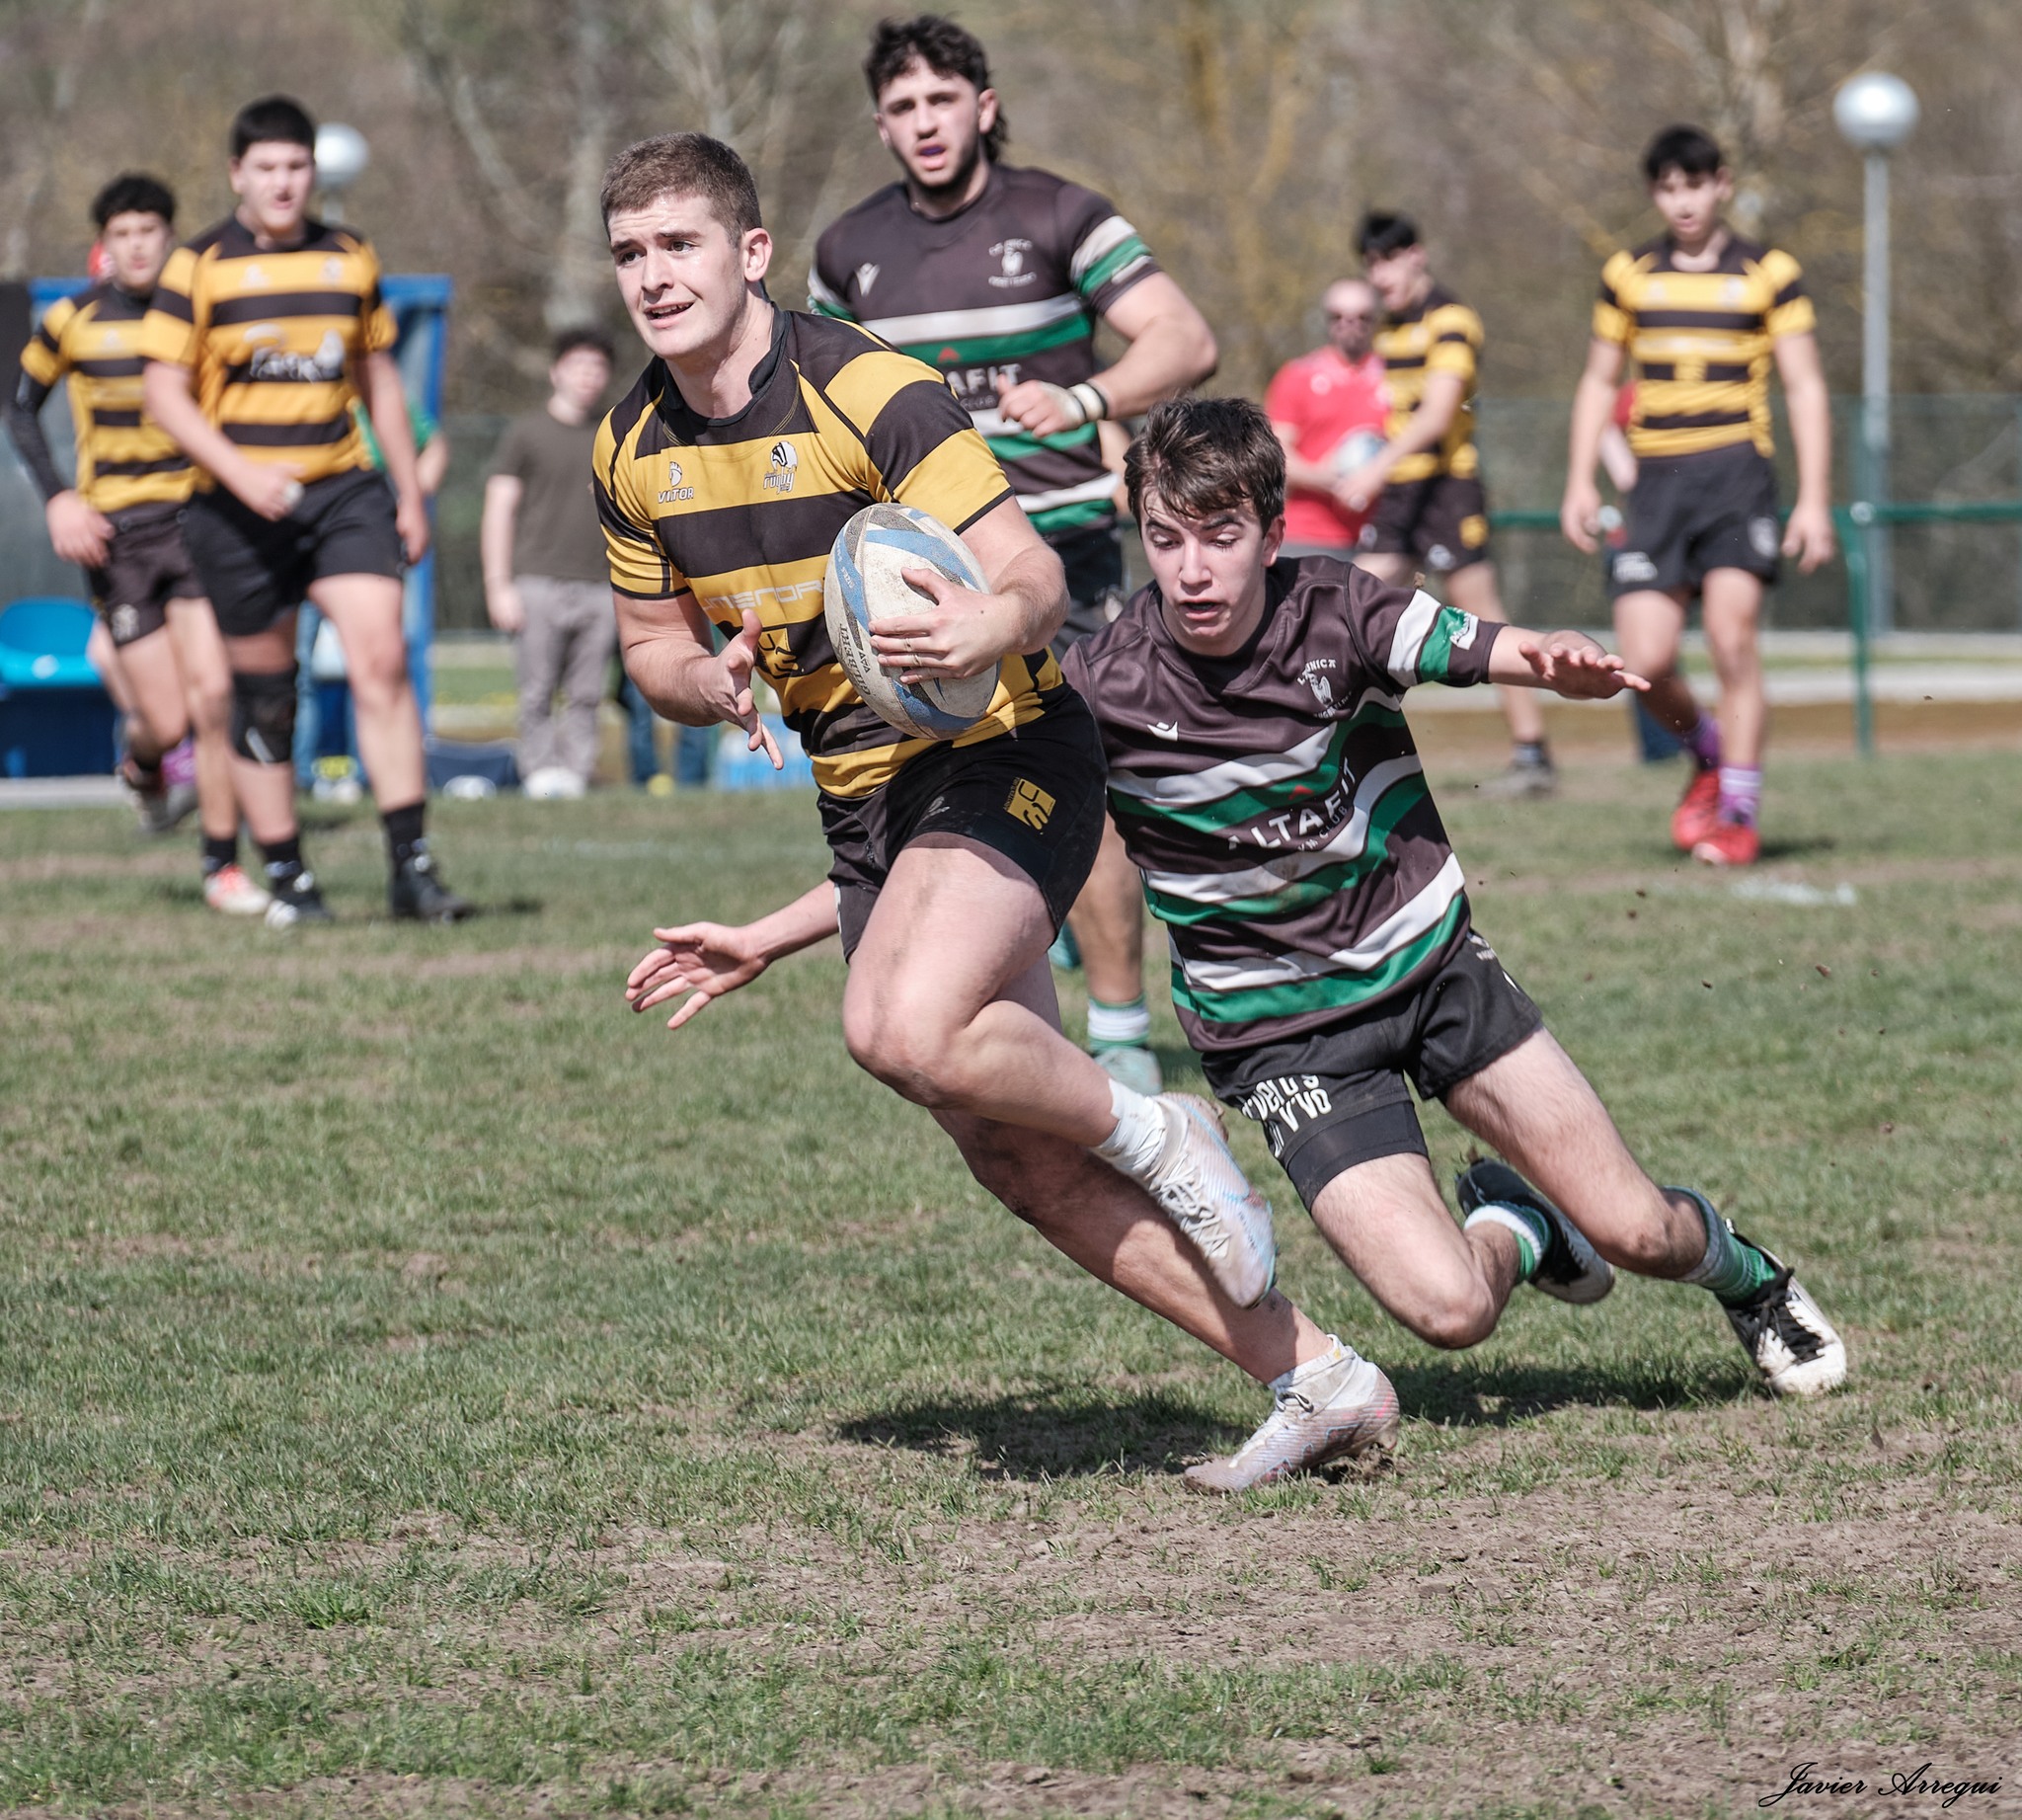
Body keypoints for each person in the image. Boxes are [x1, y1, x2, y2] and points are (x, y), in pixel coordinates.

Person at [600, 132, 1413, 1492]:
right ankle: (1319, 1376)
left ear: (749, 253)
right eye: (627, 253)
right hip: (866, 806)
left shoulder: (868, 387)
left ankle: (1163, 1127)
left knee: (897, 1028)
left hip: (1005, 746)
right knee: (1009, 1148)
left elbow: (1029, 573)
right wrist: (704, 672)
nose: (651, 276)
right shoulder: (633, 446)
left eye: (679, 244)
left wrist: (983, 620)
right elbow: (645, 650)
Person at [1060, 398, 1846, 1482]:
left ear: (1272, 532)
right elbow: (984, 835)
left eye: (1220, 534)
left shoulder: (1335, 611)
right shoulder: (1101, 687)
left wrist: (1551, 660)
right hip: (1287, 1042)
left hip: (1431, 972)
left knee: (1635, 1233)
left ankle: (1748, 1279)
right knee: (1446, 1311)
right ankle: (1519, 1231)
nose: (1191, 569)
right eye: (1165, 537)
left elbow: (1469, 645)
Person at [809, 13, 1220, 1096]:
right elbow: (812, 413)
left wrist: (1085, 397)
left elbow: (1183, 337)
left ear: (982, 107)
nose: (923, 123)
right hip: (924, 582)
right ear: (881, 127)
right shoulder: (847, 253)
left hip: (1058, 556)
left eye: (940, 100)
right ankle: (1017, 999)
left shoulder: (1058, 214)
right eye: (900, 108)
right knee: (952, 800)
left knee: (1077, 785)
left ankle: (1122, 1030)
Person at [139, 95, 470, 926]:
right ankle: (286, 871)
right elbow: (164, 396)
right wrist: (242, 474)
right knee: (266, 695)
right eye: (267, 169)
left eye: (297, 167)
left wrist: (405, 491)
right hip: (234, 507)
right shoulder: (198, 264)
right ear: (237, 175)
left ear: (311, 173)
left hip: (342, 491)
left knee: (381, 656)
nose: (284, 183)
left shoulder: (350, 256)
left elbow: (380, 383)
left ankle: (412, 866)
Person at [1560, 124, 1834, 868]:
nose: (1683, 202)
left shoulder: (1769, 272)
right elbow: (1597, 380)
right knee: (1643, 660)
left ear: (1723, 183)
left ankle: (1739, 813)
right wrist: (1579, 477)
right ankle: (1710, 756)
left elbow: (1805, 386)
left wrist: (1813, 498)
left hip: (1736, 473)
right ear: (1656, 192)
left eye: (1696, 184)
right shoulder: (1628, 273)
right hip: (1655, 484)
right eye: (1668, 188)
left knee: (1731, 639)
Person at [4, 172, 266, 913]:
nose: (136, 246)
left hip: (196, 525)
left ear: (167, 236)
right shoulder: (71, 319)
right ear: (105, 246)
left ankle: (223, 868)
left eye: (149, 231)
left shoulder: (197, 314)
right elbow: (21, 408)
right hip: (116, 541)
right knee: (169, 719)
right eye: (121, 235)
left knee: (214, 698)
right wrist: (59, 498)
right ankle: (142, 765)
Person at [1346, 211, 1554, 799]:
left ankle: (1533, 754)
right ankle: (1341, 747)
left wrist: (1372, 467)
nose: (1379, 274)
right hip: (1401, 492)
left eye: (1387, 259)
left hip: (1447, 488)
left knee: (1483, 622)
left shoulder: (1453, 321)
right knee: (1350, 604)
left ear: (1417, 254)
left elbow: (1438, 417)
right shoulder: (1385, 333)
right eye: (1370, 264)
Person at [482, 326, 617, 798]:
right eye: (579, 365)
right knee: (536, 691)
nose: (589, 376)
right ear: (556, 371)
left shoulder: (614, 432)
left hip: (603, 585)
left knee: (586, 693)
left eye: (598, 367)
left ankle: (575, 775)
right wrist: (498, 584)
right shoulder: (526, 432)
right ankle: (538, 773)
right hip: (536, 581)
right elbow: (499, 506)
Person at [1265, 277, 1389, 559]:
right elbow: (1277, 455)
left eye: (1362, 317)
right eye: (1338, 316)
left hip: (1381, 541)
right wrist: (1330, 480)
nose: (1350, 324)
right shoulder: (1297, 375)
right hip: (1306, 536)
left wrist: (1374, 476)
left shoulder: (1398, 378)